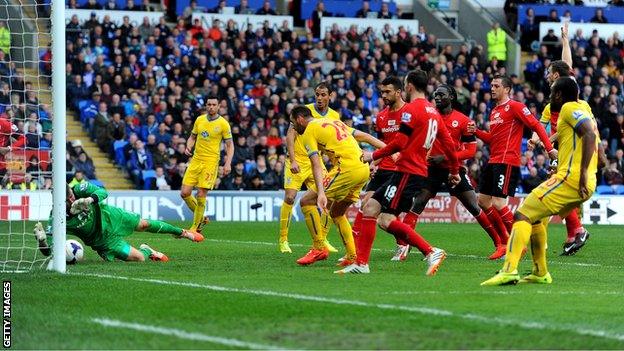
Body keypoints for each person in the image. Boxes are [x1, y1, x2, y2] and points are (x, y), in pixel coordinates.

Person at [337, 69, 461, 275]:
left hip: (407, 171)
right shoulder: (433, 112)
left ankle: (429, 251)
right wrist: (454, 170)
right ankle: (363, 263)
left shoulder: (410, 110)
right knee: (383, 218)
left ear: (409, 86)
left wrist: (373, 155)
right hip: (415, 172)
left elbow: (400, 143)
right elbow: (449, 145)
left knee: (371, 210)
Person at [481, 77, 599, 286]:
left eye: (552, 92)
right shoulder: (579, 112)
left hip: (571, 178)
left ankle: (509, 269)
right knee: (533, 217)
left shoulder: (567, 108)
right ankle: (540, 272)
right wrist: (598, 167)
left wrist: (580, 173)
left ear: (560, 95)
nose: (549, 96)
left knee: (522, 214)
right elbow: (598, 143)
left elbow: (589, 135)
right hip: (583, 179)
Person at [409, 84, 503, 259]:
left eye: (441, 94)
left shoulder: (463, 120)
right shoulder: (429, 116)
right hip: (431, 169)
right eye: (435, 94)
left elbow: (470, 151)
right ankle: (403, 246)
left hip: (454, 169)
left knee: (473, 206)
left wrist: (444, 157)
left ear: (451, 97)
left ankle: (499, 243)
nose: (436, 97)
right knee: (418, 202)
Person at [288, 105, 385, 268]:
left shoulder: (309, 131)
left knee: (306, 201)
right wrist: (389, 150)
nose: (293, 127)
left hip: (347, 168)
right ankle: (352, 255)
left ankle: (319, 248)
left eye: (293, 123)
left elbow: (316, 164)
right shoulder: (333, 121)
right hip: (363, 169)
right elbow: (364, 136)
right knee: (337, 212)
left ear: (300, 119)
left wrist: (320, 193)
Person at [473, 75, 556, 260]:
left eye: (496, 86)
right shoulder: (494, 111)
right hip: (493, 161)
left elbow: (536, 125)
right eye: (491, 85)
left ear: (507, 89)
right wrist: (476, 131)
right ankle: (504, 242)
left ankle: (518, 243)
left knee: (498, 203)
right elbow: (492, 139)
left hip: (507, 161)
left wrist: (549, 149)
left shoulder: (516, 107)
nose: (492, 88)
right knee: (483, 201)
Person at [528, 22, 592, 256]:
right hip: (559, 148)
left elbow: (567, 65)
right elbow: (541, 127)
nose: (546, 76)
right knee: (555, 190)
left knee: (549, 191)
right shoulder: (550, 104)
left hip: (568, 148)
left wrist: (546, 141)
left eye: (549, 72)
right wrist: (536, 139)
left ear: (555, 75)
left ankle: (561, 233)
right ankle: (573, 232)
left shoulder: (568, 94)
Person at [35, 182, 204, 263]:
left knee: (143, 224)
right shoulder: (56, 218)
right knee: (139, 259)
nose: (72, 198)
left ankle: (182, 233)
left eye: (71, 194)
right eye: (68, 198)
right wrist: (42, 241)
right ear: (59, 201)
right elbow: (48, 251)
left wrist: (89, 200)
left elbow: (103, 191)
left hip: (112, 217)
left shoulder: (80, 189)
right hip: (103, 241)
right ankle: (147, 250)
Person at [350, 76, 418, 262]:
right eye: (382, 92)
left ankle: (403, 245)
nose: (384, 96)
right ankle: (354, 252)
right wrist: (375, 163)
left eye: (387, 92)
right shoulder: (380, 117)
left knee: (387, 216)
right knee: (366, 206)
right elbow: (383, 144)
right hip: (383, 169)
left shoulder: (409, 112)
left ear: (398, 92)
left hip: (401, 170)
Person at [279, 82, 339, 254]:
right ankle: (283, 240)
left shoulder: (334, 115)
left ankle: (323, 238)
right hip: (297, 159)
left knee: (330, 196)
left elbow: (333, 140)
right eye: (317, 95)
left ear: (330, 96)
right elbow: (290, 135)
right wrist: (293, 159)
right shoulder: (304, 112)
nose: (319, 98)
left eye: (323, 95)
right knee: (290, 197)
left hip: (316, 161)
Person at [180, 96, 234, 235]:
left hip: (210, 162)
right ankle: (202, 217)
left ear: (218, 106)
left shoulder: (223, 124)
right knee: (184, 193)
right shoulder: (199, 120)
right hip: (196, 160)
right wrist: (188, 147)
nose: (211, 107)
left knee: (201, 193)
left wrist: (227, 163)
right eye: (209, 104)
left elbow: (230, 145)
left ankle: (195, 227)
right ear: (206, 106)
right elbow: (192, 136)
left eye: (214, 104)